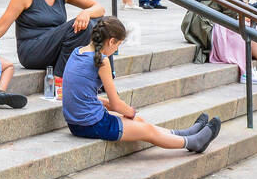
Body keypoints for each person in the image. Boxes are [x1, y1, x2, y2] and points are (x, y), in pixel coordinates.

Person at [62, 17, 221, 152]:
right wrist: (129, 111)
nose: (116, 49)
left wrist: (109, 105)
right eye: (118, 45)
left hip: (76, 123)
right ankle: (193, 143)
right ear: (111, 41)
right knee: (147, 130)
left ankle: (183, 133)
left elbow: (80, 94)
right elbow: (117, 105)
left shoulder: (77, 52)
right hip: (91, 124)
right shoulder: (102, 61)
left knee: (139, 122)